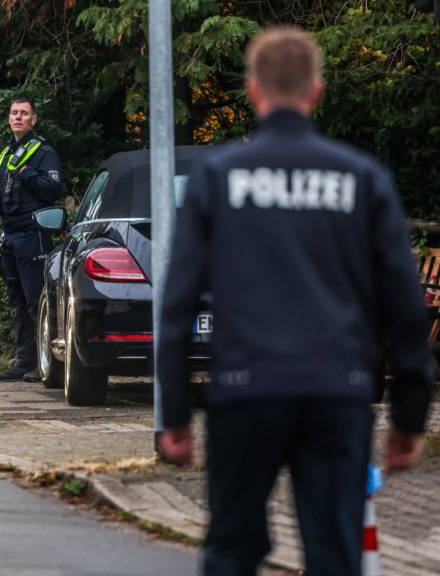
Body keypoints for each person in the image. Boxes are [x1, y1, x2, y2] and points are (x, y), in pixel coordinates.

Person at [157, 27, 434, 575]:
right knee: (334, 551)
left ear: (253, 90)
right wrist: (410, 414)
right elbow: (405, 302)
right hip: (337, 392)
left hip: (243, 392)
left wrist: (175, 414)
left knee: (232, 548)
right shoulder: (362, 179)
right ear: (318, 91)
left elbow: (178, 301)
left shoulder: (218, 179)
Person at [0, 97, 64, 382]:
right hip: (10, 236)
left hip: (34, 236)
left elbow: (53, 188)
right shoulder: (6, 153)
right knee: (18, 301)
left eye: (23, 113)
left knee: (37, 302)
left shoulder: (43, 153)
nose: (18, 117)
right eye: (14, 113)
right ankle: (24, 360)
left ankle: (45, 365)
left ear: (34, 119)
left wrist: (27, 174)